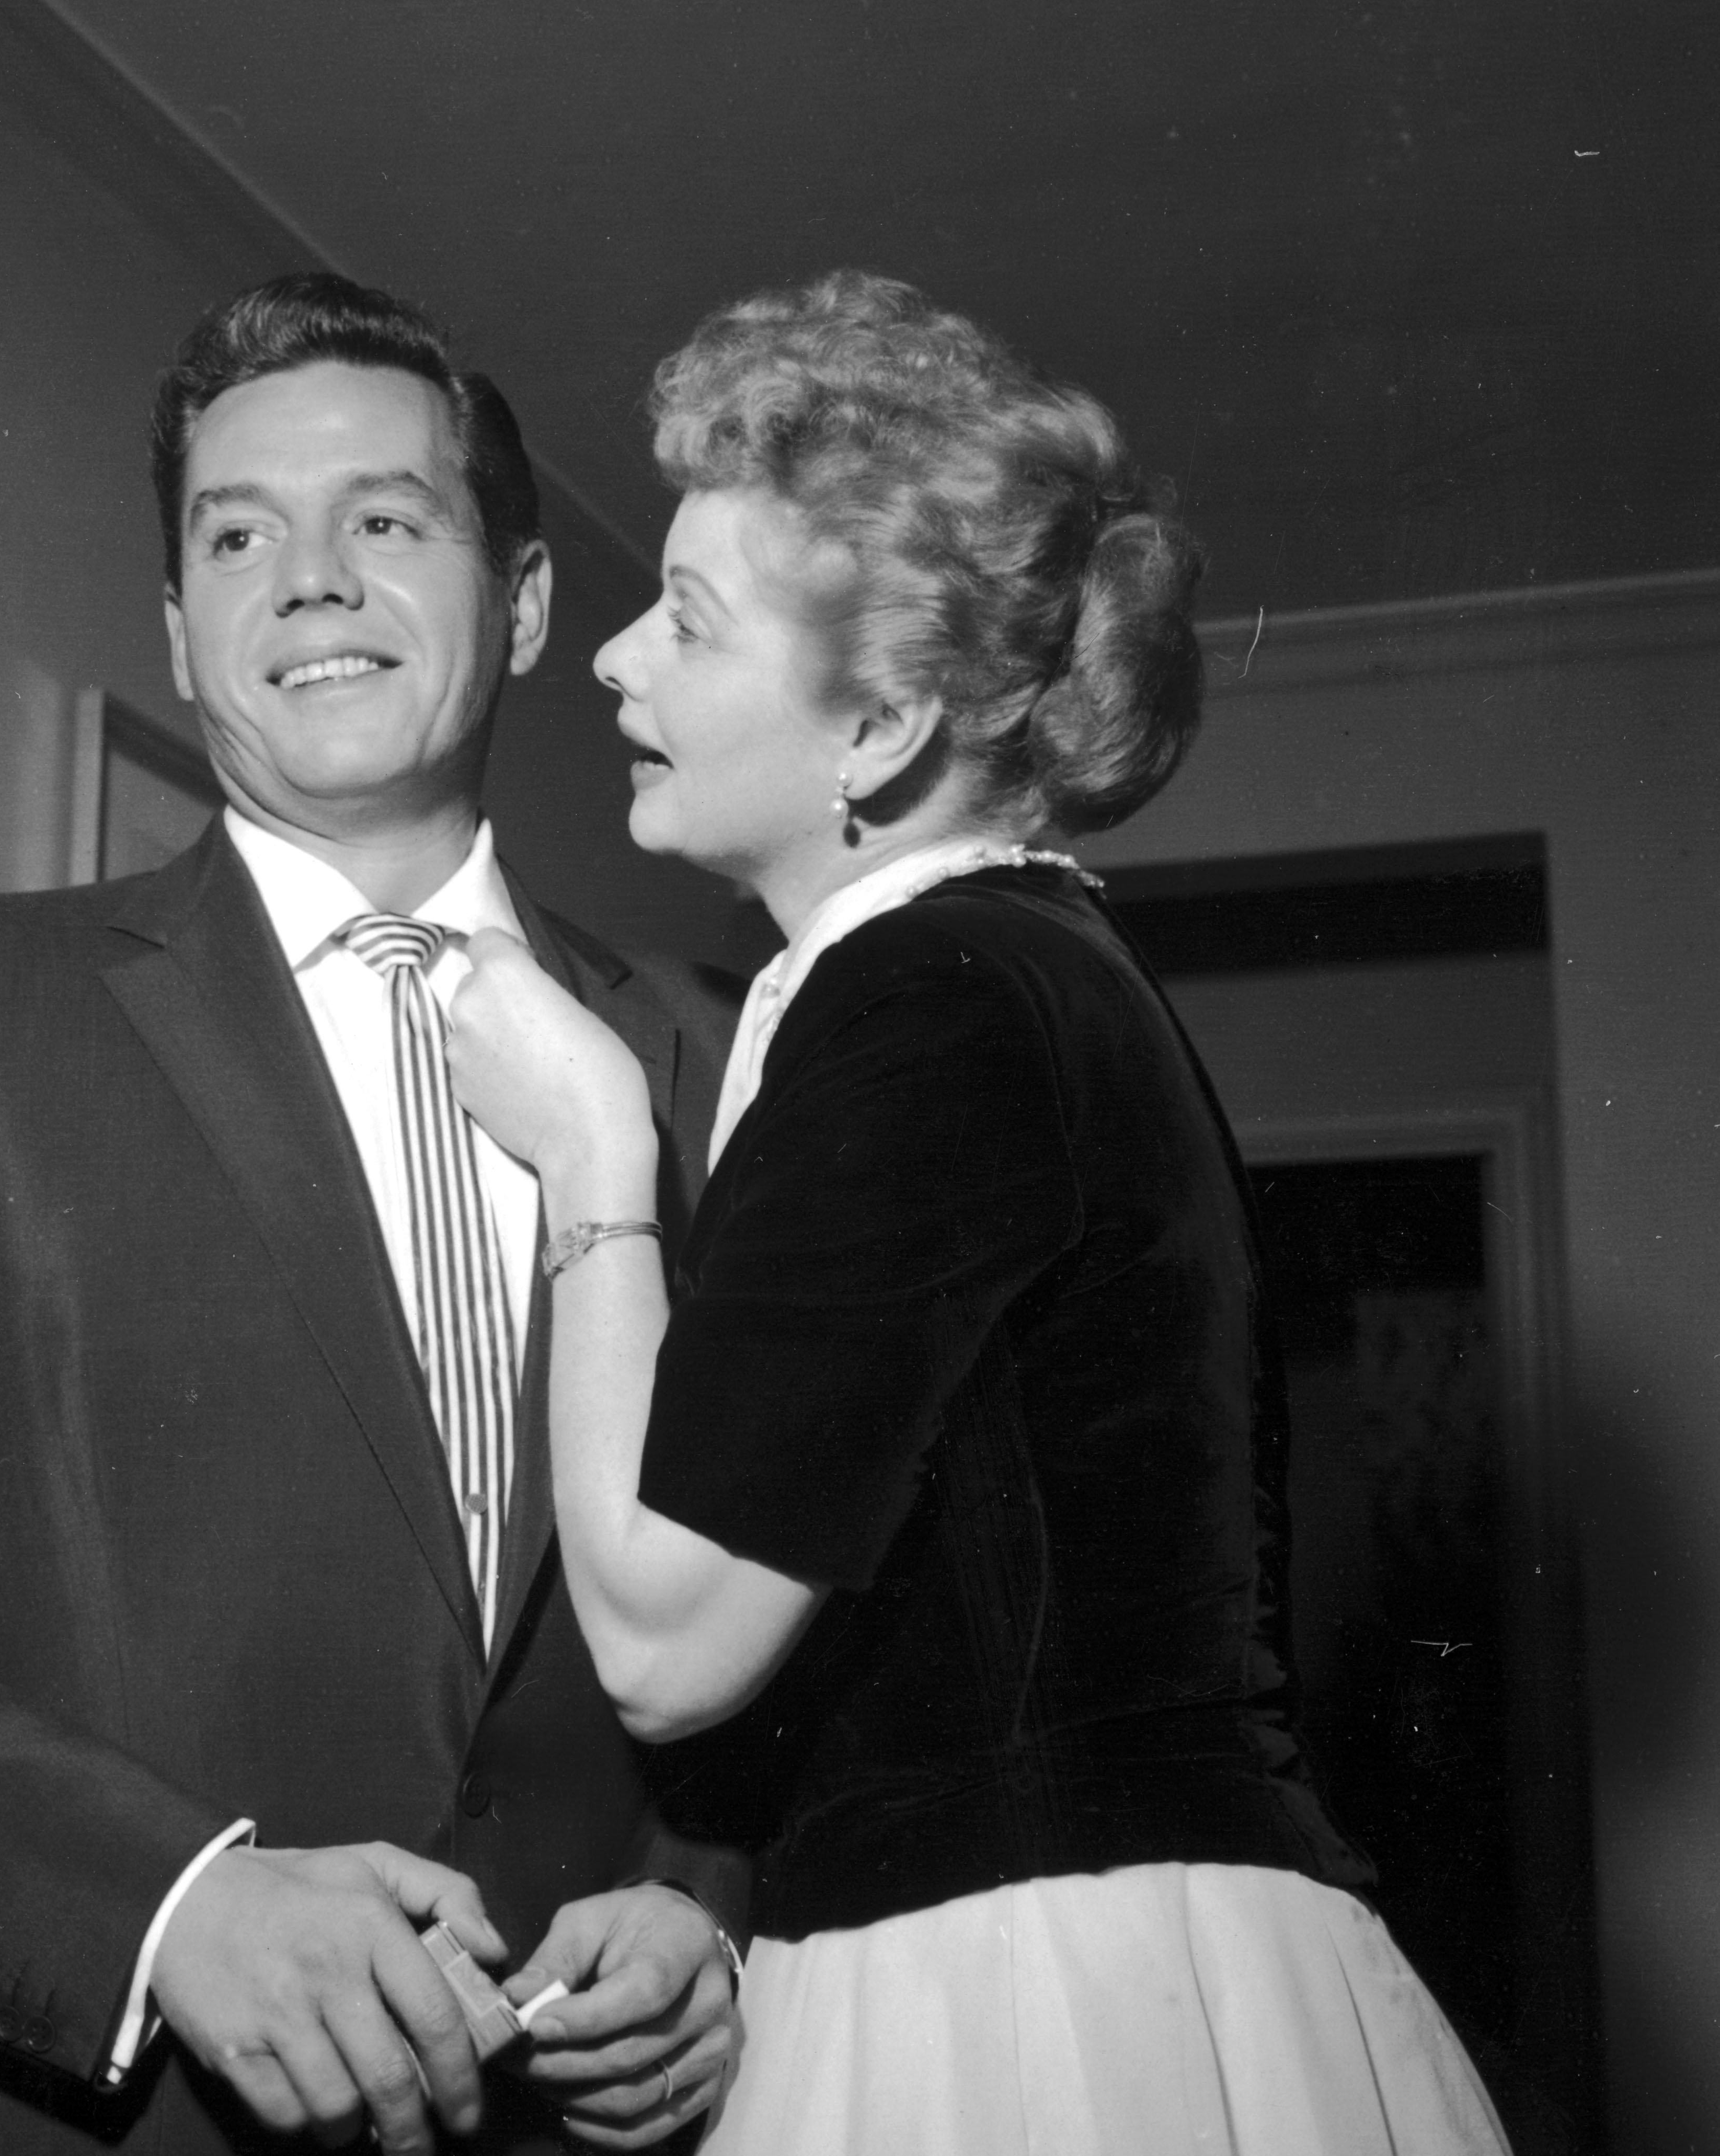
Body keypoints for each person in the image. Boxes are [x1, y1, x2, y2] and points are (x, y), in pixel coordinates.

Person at [0, 273, 748, 2156]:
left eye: (385, 519)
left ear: (526, 604)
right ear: (181, 627)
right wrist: (168, 1903)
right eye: (239, 536)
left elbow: (800, 1611)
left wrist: (710, 1905)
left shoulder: (708, 1058)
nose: (308, 578)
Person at [448, 271, 1514, 2153]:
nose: (612, 661)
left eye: (684, 621)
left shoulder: (932, 996)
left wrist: (598, 1169)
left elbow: (667, 1635)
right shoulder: (1018, 970)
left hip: (1031, 2001)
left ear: (881, 727)